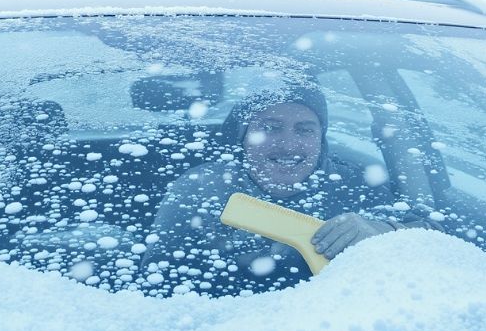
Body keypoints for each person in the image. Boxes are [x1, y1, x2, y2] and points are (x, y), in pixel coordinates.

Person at [144, 82, 437, 294]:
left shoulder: (356, 186)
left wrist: (384, 231)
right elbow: (158, 279)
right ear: (242, 138)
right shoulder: (201, 188)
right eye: (269, 128)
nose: (288, 144)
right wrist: (225, 262)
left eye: (305, 130)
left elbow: (436, 249)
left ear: (321, 139)